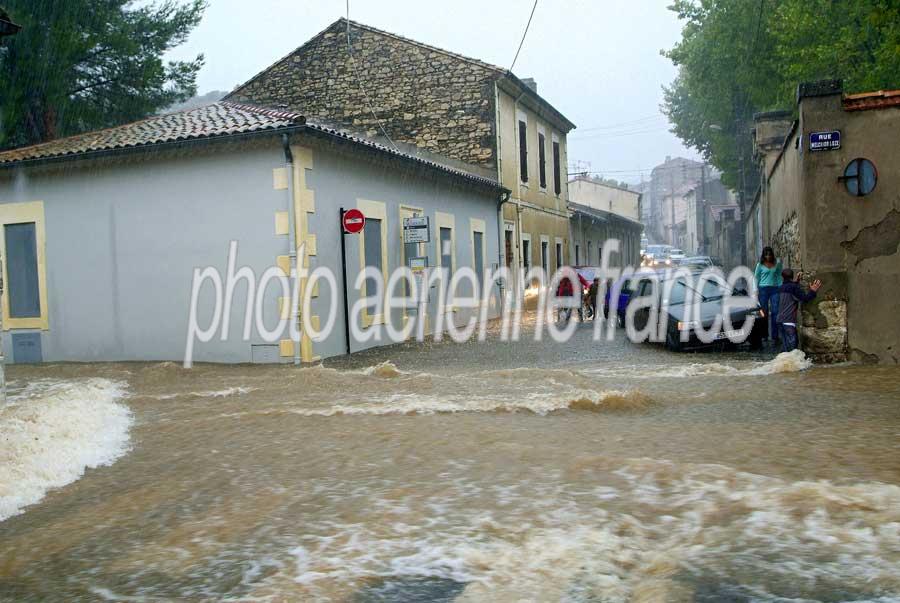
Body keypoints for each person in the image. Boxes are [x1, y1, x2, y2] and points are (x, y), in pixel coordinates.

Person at [775, 268, 821, 352]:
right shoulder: (794, 288)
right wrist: (813, 291)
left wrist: (796, 282)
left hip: (779, 321)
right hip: (788, 322)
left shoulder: (781, 288)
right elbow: (805, 298)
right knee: (793, 351)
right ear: (792, 277)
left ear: (782, 277)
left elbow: (789, 289)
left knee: (786, 350)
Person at [754, 246, 782, 342]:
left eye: (769, 254)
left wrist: (781, 287)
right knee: (764, 312)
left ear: (772, 254)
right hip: (763, 289)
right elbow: (756, 278)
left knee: (775, 311)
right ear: (763, 255)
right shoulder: (760, 265)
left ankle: (775, 335)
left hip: (775, 289)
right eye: (766, 254)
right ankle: (764, 334)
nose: (768, 256)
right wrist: (755, 289)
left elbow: (778, 276)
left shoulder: (776, 264)